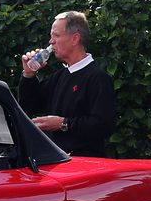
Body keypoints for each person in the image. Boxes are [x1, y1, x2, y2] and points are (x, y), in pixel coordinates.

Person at [17, 10, 117, 157]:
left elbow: (104, 125)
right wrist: (29, 75)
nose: (51, 42)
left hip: (84, 167)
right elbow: (28, 106)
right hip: (57, 164)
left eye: (56, 35)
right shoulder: (59, 77)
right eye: (51, 36)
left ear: (75, 39)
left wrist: (63, 124)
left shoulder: (97, 77)